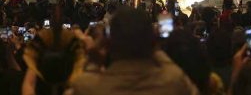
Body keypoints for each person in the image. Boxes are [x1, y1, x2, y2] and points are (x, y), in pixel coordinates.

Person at [70, 7, 199, 95]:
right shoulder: (174, 81)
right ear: (152, 40)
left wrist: (92, 61)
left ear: (107, 43)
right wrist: (157, 45)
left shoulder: (86, 87)